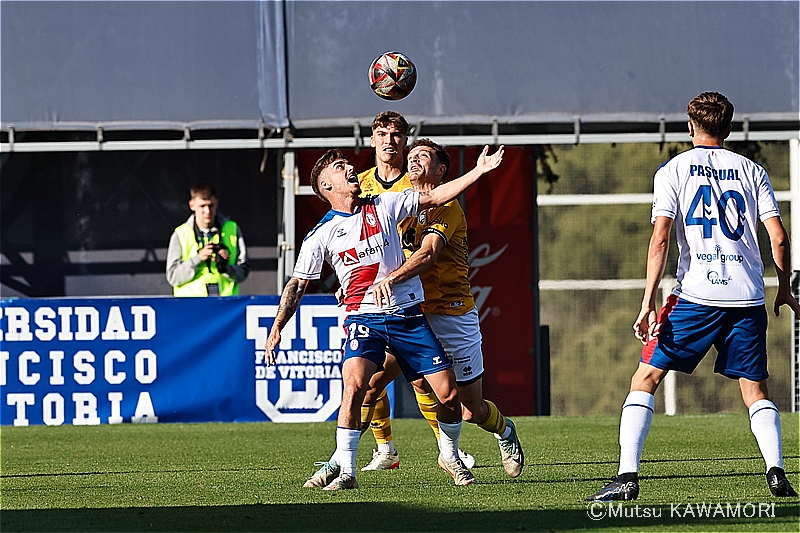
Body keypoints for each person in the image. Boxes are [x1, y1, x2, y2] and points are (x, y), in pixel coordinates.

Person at [586, 92, 798, 501]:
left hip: (696, 297)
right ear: (730, 128)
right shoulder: (752, 170)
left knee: (645, 377)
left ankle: (627, 477)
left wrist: (648, 301)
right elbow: (779, 237)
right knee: (755, 390)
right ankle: (775, 471)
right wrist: (784, 288)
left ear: (690, 126)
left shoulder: (673, 170)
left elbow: (660, 239)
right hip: (748, 297)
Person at [264, 145, 504, 490]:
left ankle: (449, 454)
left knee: (450, 397)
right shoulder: (320, 235)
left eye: (348, 163)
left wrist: (479, 170)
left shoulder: (383, 204)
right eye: (340, 167)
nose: (350, 168)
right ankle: (346, 470)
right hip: (364, 320)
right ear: (326, 187)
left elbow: (435, 198)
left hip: (408, 316)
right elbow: (297, 284)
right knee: (356, 387)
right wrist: (276, 329)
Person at [369, 138, 524, 479]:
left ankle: (504, 431)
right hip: (412, 313)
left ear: (440, 170)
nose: (413, 160)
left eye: (422, 156)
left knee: (472, 410)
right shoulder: (397, 204)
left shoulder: (447, 207)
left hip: (453, 315)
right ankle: (348, 461)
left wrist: (390, 280)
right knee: (372, 382)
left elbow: (427, 254)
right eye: (410, 156)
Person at [353, 111, 475, 473]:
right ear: (372, 139)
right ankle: (383, 448)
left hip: (413, 297)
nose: (389, 140)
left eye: (396, 134)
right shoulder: (358, 184)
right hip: (372, 297)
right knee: (367, 380)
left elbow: (430, 244)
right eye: (382, 133)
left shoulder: (419, 186)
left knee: (425, 381)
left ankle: (448, 449)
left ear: (404, 141)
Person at [166, 182, 249, 296]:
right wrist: (198, 258)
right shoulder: (181, 233)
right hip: (192, 306)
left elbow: (243, 272)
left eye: (211, 205)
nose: (207, 211)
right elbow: (173, 277)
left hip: (226, 305)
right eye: (202, 206)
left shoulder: (232, 229)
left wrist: (226, 267)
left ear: (217, 203)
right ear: (192, 205)